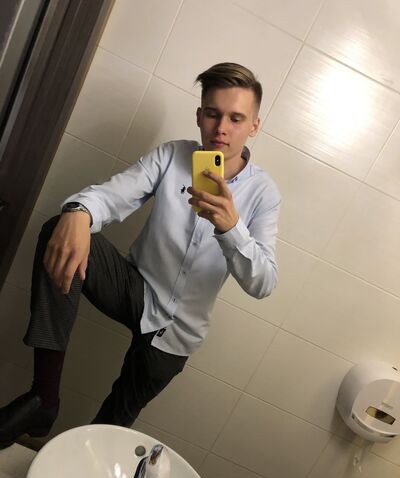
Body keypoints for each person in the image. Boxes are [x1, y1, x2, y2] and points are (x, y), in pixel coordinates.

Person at [0, 62, 281, 449]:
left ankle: (82, 468)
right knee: (60, 228)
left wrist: (231, 227)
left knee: (108, 433)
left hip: (178, 331)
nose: (221, 128)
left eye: (236, 118)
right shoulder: (172, 155)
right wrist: (79, 212)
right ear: (199, 115)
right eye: (213, 114)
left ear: (254, 126)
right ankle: (43, 399)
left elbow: (263, 283)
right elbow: (113, 195)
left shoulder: (264, 194)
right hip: (134, 289)